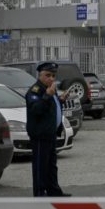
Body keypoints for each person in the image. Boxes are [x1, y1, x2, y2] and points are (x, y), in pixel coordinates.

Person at [26, 61, 71, 197]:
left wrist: (61, 99)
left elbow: (51, 108)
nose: (51, 78)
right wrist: (47, 96)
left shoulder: (50, 89)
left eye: (53, 75)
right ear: (40, 75)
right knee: (40, 165)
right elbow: (36, 109)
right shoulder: (35, 90)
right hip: (40, 134)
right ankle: (40, 193)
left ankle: (54, 191)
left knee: (51, 165)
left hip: (50, 133)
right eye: (48, 75)